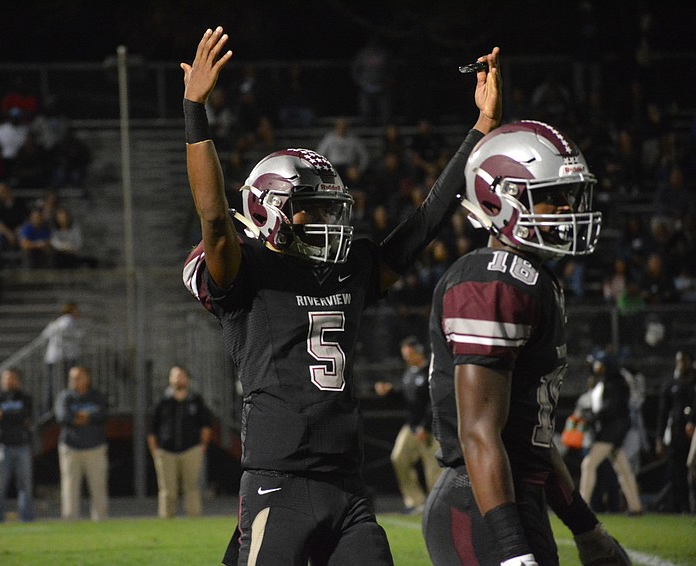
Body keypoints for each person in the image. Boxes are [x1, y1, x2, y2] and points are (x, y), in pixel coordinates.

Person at [180, 26, 501, 566]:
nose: (328, 221)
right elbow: (214, 221)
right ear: (269, 209)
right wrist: (195, 110)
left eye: (332, 209)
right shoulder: (248, 272)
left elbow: (423, 224)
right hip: (276, 485)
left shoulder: (347, 268)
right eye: (313, 208)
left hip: (348, 489)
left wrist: (482, 128)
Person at [423, 121, 631, 565]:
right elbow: (479, 433)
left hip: (513, 498)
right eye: (550, 197)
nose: (564, 209)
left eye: (567, 197)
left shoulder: (533, 279)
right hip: (482, 506)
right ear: (499, 198)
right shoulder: (491, 280)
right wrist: (513, 552)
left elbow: (530, 440)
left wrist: (585, 526)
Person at [373, 336, 439, 515]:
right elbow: (406, 398)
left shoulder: (429, 372)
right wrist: (390, 392)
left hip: (430, 428)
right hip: (411, 425)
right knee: (399, 458)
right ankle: (416, 501)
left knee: (433, 470)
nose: (406, 358)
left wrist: (425, 426)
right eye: (404, 354)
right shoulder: (410, 372)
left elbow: (433, 402)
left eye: (409, 354)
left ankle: (435, 506)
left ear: (418, 352)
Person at [579, 354, 643, 516]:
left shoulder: (615, 382)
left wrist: (593, 416)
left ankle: (581, 505)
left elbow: (611, 408)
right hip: (615, 429)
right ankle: (635, 507)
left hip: (612, 430)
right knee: (623, 468)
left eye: (599, 364)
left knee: (588, 464)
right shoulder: (613, 380)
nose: (596, 367)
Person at [147, 366, 214, 518]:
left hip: (191, 449)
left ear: (187, 379)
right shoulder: (162, 401)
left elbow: (206, 425)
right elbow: (151, 429)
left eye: (182, 375)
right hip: (166, 451)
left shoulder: (196, 400)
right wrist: (155, 451)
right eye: (175, 376)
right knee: (167, 490)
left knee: (191, 487)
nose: (179, 379)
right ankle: (167, 519)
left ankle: (194, 518)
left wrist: (202, 446)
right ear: (170, 379)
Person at [54, 366, 108, 521]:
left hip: (95, 447)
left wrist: (85, 418)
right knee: (70, 486)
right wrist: (84, 417)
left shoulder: (97, 396)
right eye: (72, 378)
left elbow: (103, 414)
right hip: (71, 448)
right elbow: (63, 416)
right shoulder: (65, 397)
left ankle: (101, 519)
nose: (74, 381)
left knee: (98, 486)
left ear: (87, 379)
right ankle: (70, 519)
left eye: (78, 377)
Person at [0, 368, 35, 522]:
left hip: (22, 445)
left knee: (25, 484)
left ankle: (26, 516)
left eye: (12, 378)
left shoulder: (25, 397)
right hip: (1, 446)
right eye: (6, 378)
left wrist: (4, 415)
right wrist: (15, 417)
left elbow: (26, 417)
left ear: (18, 380)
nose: (8, 381)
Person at [654, 350, 696, 513]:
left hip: (693, 434)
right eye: (679, 361)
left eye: (684, 360)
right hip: (678, 433)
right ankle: (684, 507)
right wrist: (659, 437)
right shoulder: (671, 383)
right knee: (679, 473)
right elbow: (663, 412)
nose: (681, 364)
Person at [41, 302, 84, 413]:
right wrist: (78, 335)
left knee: (52, 384)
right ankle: (61, 407)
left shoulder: (57, 321)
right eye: (76, 309)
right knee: (65, 384)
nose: (78, 312)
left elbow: (45, 334)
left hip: (53, 357)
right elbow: (69, 334)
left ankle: (49, 408)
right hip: (63, 358)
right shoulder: (68, 320)